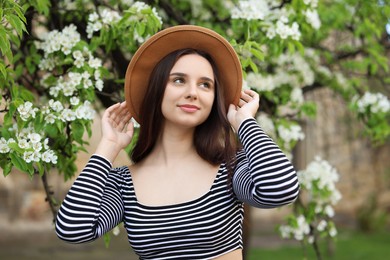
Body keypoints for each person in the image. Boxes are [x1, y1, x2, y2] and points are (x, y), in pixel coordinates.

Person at [55, 25, 300, 259]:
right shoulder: (123, 184)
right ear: (157, 90)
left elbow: (281, 190)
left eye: (205, 84)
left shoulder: (231, 167)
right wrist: (108, 145)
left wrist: (244, 122)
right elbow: (72, 229)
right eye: (179, 80)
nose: (193, 92)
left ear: (214, 99)